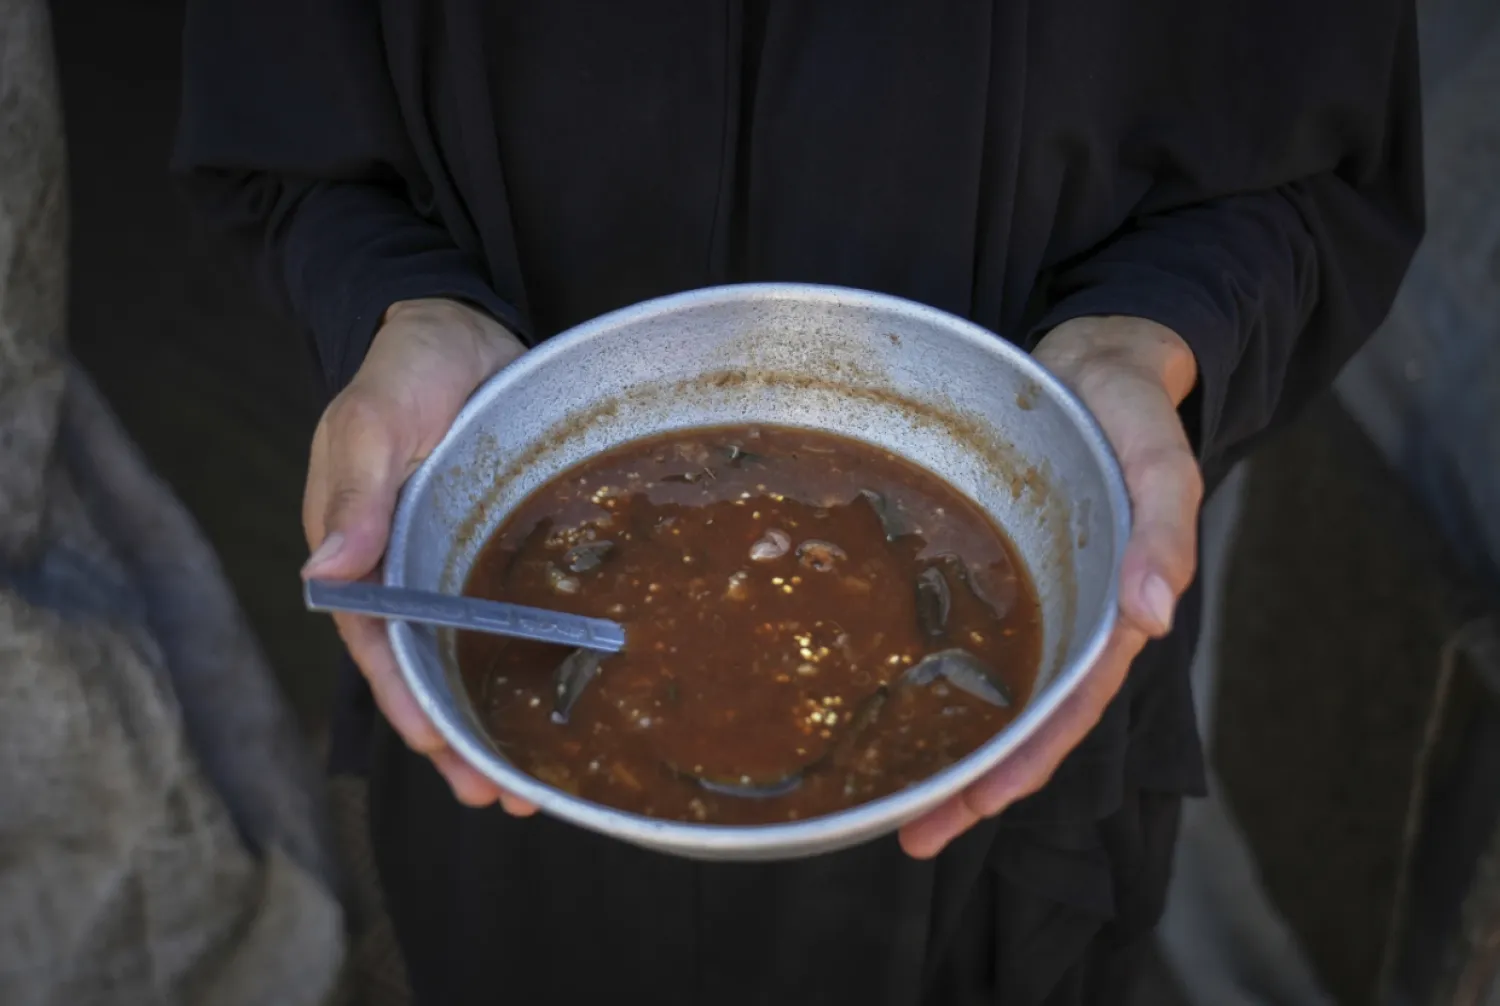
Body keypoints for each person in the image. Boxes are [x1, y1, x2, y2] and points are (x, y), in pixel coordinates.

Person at [172, 2, 1422, 1003]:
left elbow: (1316, 179)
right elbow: (281, 139)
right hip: (517, 817)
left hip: (1013, 801)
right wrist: (402, 304)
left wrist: (1147, 341)